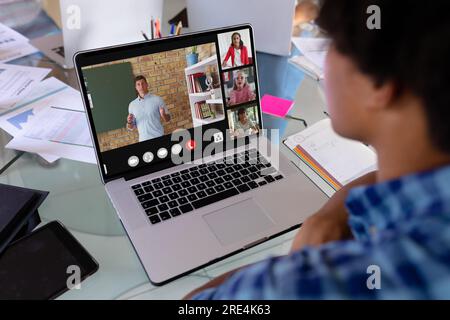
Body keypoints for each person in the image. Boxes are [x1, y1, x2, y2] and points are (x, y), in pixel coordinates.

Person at [185, 0, 450, 299]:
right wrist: (332, 216)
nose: (322, 62)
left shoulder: (305, 284)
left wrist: (297, 263)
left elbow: (193, 304)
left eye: (330, 45)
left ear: (380, 84)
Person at [127, 75, 171, 142]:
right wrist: (129, 122)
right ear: (136, 87)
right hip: (143, 139)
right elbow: (131, 128)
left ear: (147, 84)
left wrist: (164, 115)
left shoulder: (157, 99)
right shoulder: (132, 105)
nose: (141, 86)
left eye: (143, 83)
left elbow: (168, 119)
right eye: (138, 84)